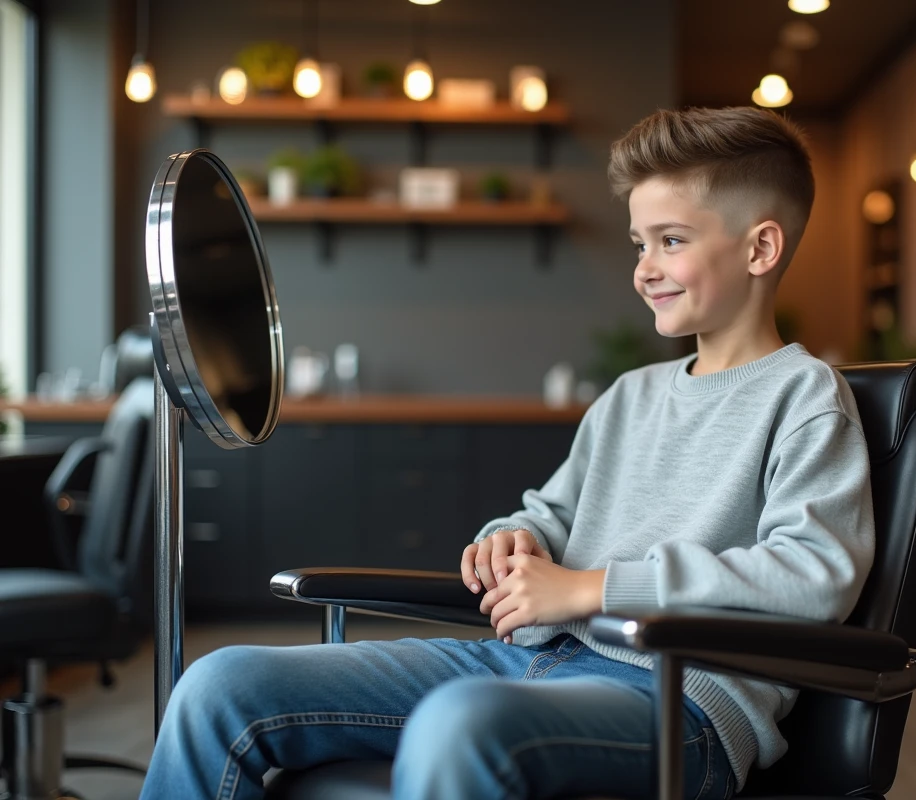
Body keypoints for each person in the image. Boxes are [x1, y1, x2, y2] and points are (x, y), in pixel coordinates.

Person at [140, 106, 874, 800]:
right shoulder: (631, 395)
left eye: (671, 241)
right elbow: (550, 515)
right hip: (531, 657)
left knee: (459, 723)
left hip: (680, 699)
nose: (645, 268)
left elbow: (814, 574)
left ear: (760, 247)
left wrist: (592, 589)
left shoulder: (805, 396)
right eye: (638, 244)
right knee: (219, 687)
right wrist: (512, 540)